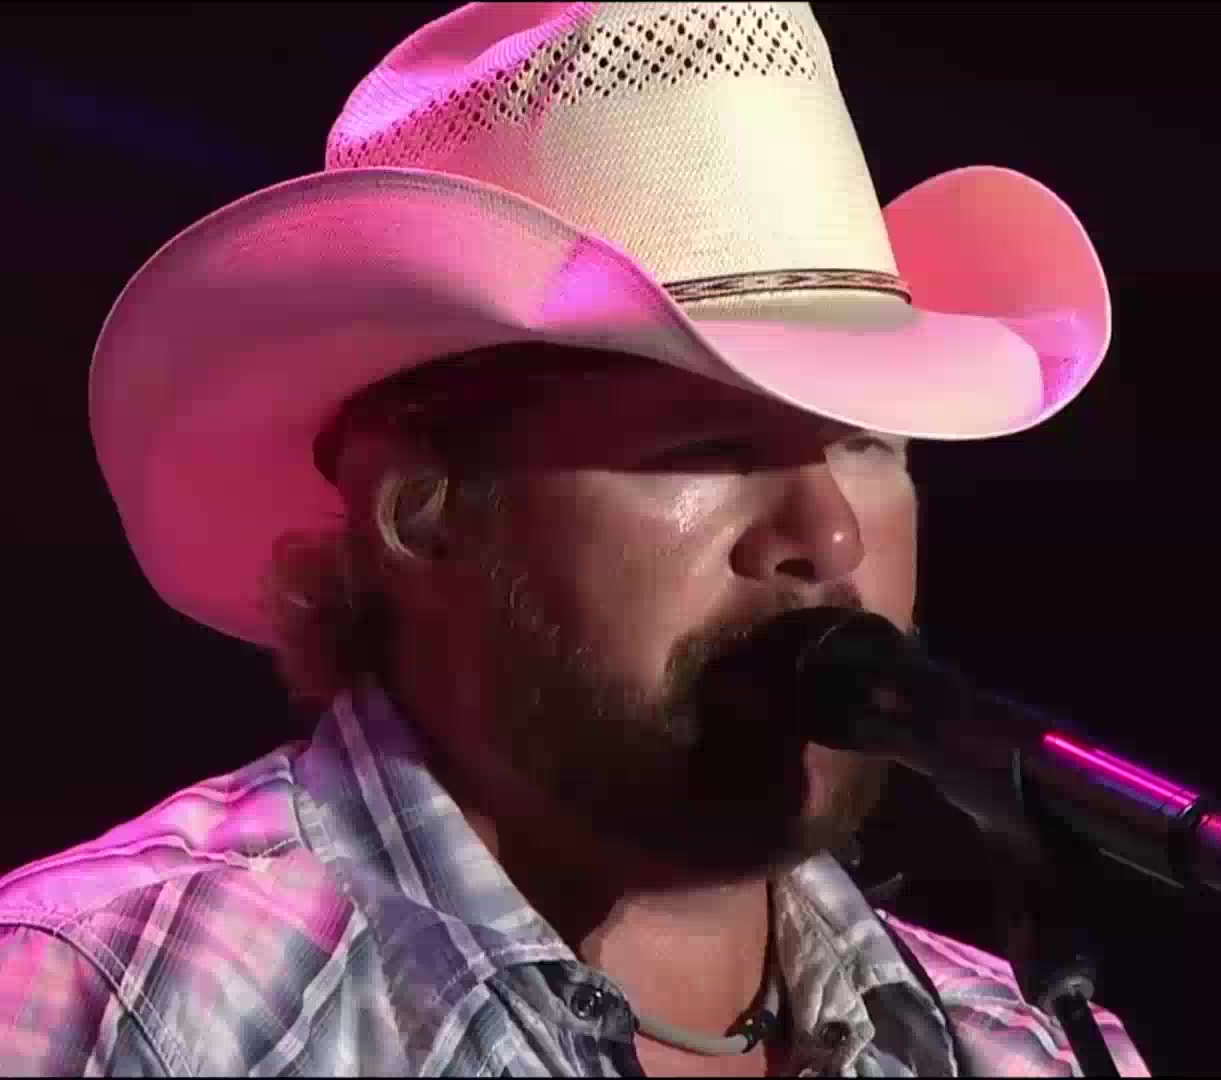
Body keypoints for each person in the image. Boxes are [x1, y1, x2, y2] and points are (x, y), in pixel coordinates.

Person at [0, 3, 1145, 1076]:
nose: (827, 535)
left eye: (864, 442)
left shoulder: (1024, 1049)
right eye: (707, 447)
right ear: (424, 512)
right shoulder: (111, 1004)